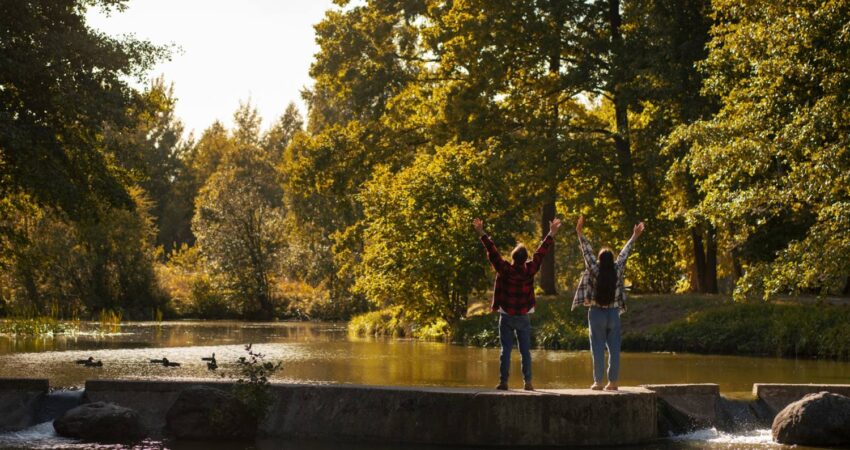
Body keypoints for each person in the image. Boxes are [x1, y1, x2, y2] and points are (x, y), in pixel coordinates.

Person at [473, 217, 562, 391]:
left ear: (513, 257)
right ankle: (528, 382)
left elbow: (493, 253)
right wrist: (551, 233)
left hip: (506, 315)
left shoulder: (505, 269)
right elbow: (541, 252)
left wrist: (482, 232)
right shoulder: (530, 269)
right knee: (525, 351)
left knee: (505, 350)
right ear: (525, 258)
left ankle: (503, 382)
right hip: (523, 315)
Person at [572, 215, 644, 391]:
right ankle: (613, 382)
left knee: (597, 348)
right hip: (613, 314)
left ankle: (598, 382)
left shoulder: (594, 269)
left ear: (600, 259)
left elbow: (587, 252)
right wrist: (634, 236)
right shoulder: (617, 269)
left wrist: (579, 232)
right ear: (611, 260)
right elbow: (624, 254)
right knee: (614, 349)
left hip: (596, 312)